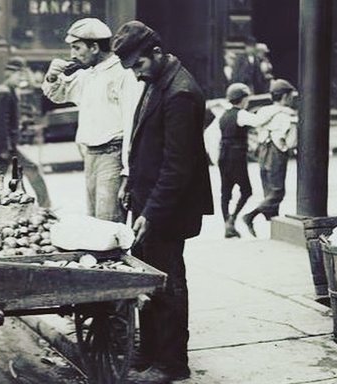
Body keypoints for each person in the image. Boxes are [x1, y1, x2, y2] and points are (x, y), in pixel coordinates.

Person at [112, 21, 213, 382]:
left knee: (167, 283)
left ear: (156, 52)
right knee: (146, 279)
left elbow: (177, 167)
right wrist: (130, 183)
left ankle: (172, 363)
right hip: (148, 201)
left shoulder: (180, 92)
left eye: (138, 65)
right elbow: (146, 141)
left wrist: (151, 213)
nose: (136, 74)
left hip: (167, 209)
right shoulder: (157, 80)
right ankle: (149, 349)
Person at [41, 17, 143, 222]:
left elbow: (132, 123)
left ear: (95, 47)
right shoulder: (89, 74)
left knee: (108, 223)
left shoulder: (122, 74)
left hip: (112, 154)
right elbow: (58, 94)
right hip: (91, 155)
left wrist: (128, 170)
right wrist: (52, 77)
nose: (73, 54)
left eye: (77, 48)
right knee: (94, 222)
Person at [0, 57, 51, 208]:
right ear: (9, 74)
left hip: (4, 145)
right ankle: (45, 206)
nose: (21, 78)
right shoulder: (4, 93)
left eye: (22, 75)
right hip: (4, 146)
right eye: (18, 75)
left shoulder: (10, 91)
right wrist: (4, 148)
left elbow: (8, 118)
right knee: (29, 169)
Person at [242, 79, 297, 237]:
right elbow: (285, 139)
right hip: (275, 152)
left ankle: (274, 226)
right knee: (278, 192)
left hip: (263, 152)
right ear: (285, 96)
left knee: (269, 190)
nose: (292, 98)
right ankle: (250, 216)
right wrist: (288, 148)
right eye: (290, 95)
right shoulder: (284, 115)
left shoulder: (263, 111)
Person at [218, 83, 265, 238]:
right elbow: (258, 121)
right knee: (246, 190)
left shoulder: (224, 115)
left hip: (223, 155)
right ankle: (232, 219)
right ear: (242, 99)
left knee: (226, 191)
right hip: (236, 156)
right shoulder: (241, 114)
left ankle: (227, 224)